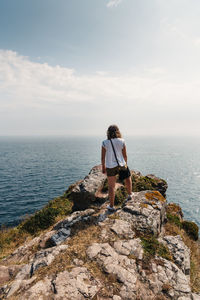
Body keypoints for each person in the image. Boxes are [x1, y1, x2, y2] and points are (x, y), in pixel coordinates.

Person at [101, 125, 133, 211]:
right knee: (127, 178)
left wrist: (103, 167)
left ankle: (111, 206)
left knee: (111, 186)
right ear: (118, 131)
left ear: (108, 132)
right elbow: (125, 156)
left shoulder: (104, 143)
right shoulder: (122, 141)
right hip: (121, 164)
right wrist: (125, 164)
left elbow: (103, 158)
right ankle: (130, 195)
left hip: (110, 166)